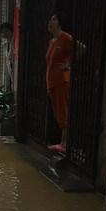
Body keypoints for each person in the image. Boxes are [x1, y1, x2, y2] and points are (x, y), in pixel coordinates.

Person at [46, 12, 73, 154]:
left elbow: (81, 48)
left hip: (61, 80)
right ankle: (62, 141)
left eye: (53, 19)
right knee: (58, 111)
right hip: (51, 81)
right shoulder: (52, 41)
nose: (50, 22)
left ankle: (64, 143)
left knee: (63, 111)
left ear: (59, 23)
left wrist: (68, 63)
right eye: (50, 19)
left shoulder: (66, 38)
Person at [0, 22, 14, 90]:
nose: (3, 34)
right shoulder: (5, 44)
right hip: (10, 69)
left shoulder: (15, 42)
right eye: (2, 32)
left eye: (5, 31)